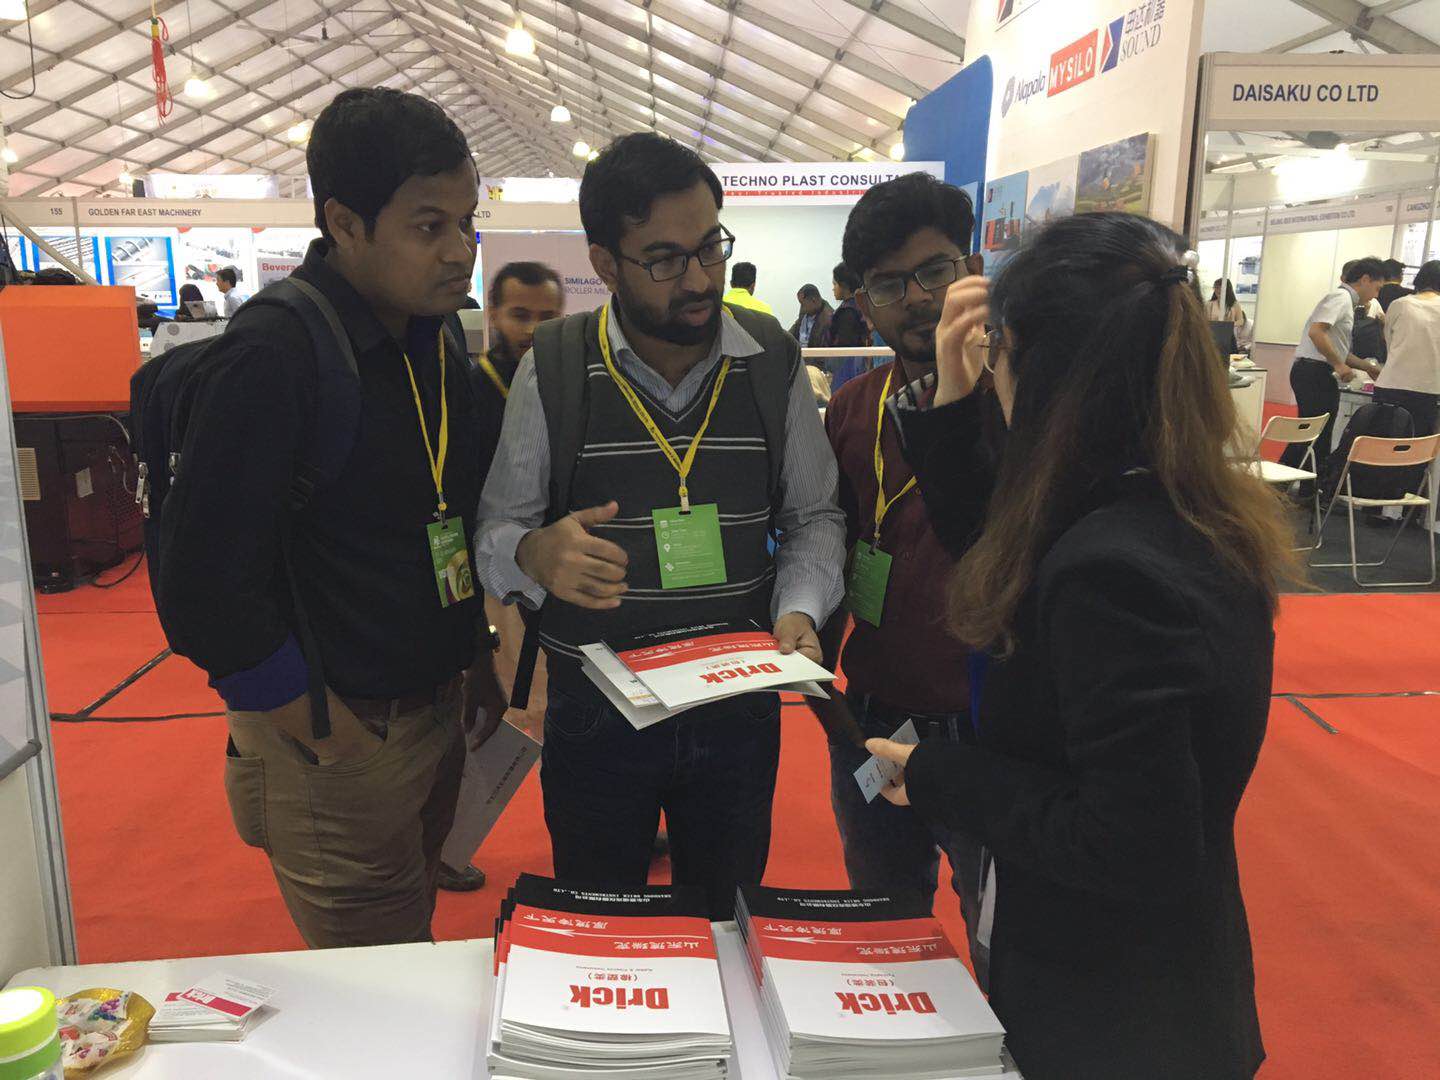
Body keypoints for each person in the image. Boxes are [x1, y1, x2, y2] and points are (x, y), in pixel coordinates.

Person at [866, 212, 1295, 1080]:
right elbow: (1001, 557)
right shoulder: (1166, 511)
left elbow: (1133, 844)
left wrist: (942, 776)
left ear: (1035, 363)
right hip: (1137, 988)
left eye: (999, 355)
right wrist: (953, 405)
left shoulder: (1111, 573)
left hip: (1115, 1013)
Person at [158, 88, 508, 949]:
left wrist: (472, 656)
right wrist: (325, 733)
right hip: (339, 738)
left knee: (410, 947)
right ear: (344, 223)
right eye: (429, 226)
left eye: (468, 222)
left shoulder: (432, 336)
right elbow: (202, 587)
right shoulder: (275, 355)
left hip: (432, 713)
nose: (460, 250)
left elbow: (437, 518)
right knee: (382, 986)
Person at [476, 131, 845, 919]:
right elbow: (495, 533)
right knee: (603, 921)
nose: (701, 278)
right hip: (596, 713)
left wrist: (799, 609)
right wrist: (534, 554)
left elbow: (813, 516)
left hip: (739, 710)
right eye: (666, 259)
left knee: (727, 922)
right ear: (606, 264)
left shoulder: (770, 359)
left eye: (710, 246)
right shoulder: (556, 366)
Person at [811, 171, 991, 981]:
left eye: (934, 271)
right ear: (863, 302)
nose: (917, 298)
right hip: (874, 715)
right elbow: (832, 547)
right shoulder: (854, 408)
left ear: (971, 268)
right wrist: (821, 684)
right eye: (890, 284)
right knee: (883, 927)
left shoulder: (1025, 401)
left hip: (991, 733)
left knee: (1003, 944)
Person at [435, 261, 565, 895]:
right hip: (487, 579)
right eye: (520, 314)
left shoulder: (566, 384)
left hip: (552, 574)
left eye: (547, 316)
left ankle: (596, 821)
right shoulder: (470, 390)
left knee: (565, 709)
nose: (533, 328)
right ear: (492, 316)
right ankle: (445, 844)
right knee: (489, 715)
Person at [1280, 258, 1386, 483]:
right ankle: (1280, 485)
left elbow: (1339, 350)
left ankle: (1308, 488)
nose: (1376, 295)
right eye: (1377, 288)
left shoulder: (1347, 302)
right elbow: (1316, 333)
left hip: (1317, 372)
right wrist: (1338, 365)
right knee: (1312, 433)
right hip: (1314, 372)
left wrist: (1368, 367)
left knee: (1318, 434)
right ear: (1365, 279)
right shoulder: (1340, 298)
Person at [1374, 259, 1440, 436]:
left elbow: (1389, 341)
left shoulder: (1400, 304)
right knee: (1415, 447)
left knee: (1380, 443)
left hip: (1390, 385)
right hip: (1427, 389)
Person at [828, 261, 870, 348]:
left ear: (844, 285)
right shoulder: (860, 305)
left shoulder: (847, 312)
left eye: (835, 284)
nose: (833, 289)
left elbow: (844, 345)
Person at [1207, 277, 1251, 349]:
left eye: (1220, 288)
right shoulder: (1210, 304)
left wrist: (1228, 325)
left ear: (1227, 289)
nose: (1218, 290)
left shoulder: (1234, 304)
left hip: (1228, 335)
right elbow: (1206, 321)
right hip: (1213, 335)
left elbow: (1241, 321)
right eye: (1216, 288)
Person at [789, 283, 833, 348]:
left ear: (813, 300)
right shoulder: (806, 312)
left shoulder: (829, 319)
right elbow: (793, 331)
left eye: (802, 303)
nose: (801, 307)